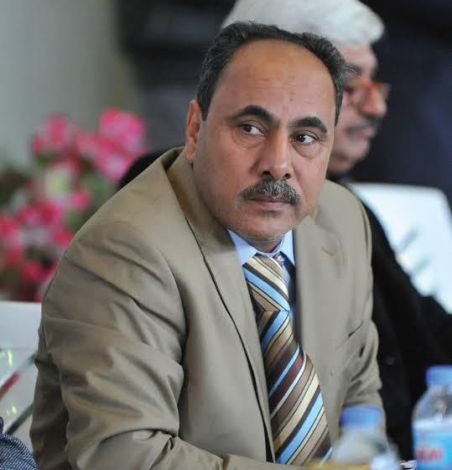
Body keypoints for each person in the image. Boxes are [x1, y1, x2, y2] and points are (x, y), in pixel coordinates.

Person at [31, 22, 382, 470]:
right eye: (251, 128)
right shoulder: (124, 251)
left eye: (305, 138)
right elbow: (125, 455)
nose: (278, 164)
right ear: (195, 129)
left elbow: (361, 410)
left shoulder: (343, 220)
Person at [223, 0, 452, 459]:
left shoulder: (348, 207)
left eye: (376, 84)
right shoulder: (210, 203)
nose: (377, 106)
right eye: (351, 85)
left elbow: (422, 326)